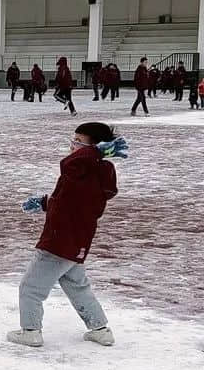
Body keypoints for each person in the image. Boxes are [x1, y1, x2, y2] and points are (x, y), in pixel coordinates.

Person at [7, 120, 127, 351]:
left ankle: (30, 331)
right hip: (77, 241)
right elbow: (69, 201)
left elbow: (68, 166)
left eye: (79, 142)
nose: (73, 146)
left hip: (58, 240)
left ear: (97, 148)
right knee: (76, 285)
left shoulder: (83, 168)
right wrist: (44, 203)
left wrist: (93, 152)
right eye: (73, 140)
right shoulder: (92, 171)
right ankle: (100, 329)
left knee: (30, 287)